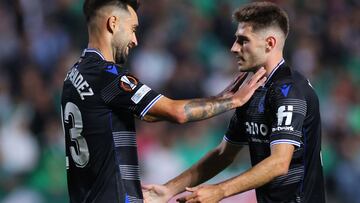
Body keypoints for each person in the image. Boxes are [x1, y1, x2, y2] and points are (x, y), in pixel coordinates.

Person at [60, 0, 266, 202]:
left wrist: (219, 98)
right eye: (132, 29)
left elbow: (150, 114)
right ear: (113, 23)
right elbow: (178, 112)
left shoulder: (74, 75)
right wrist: (234, 101)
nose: (134, 39)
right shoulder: (107, 75)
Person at [143, 2, 326, 203]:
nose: (234, 48)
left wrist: (220, 191)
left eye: (243, 40)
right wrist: (169, 190)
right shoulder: (251, 91)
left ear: (270, 43)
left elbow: (279, 162)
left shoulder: (289, 89)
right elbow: (224, 154)